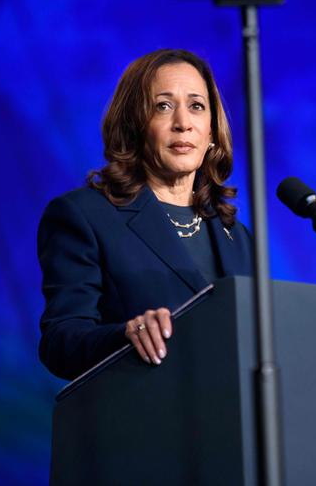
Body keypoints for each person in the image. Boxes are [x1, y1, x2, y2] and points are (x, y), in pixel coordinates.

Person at [37, 49, 253, 380]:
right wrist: (126, 334)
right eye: (163, 107)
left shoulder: (236, 235)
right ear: (134, 124)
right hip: (146, 421)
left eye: (197, 106)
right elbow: (60, 342)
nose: (183, 124)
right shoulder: (83, 216)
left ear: (211, 131)